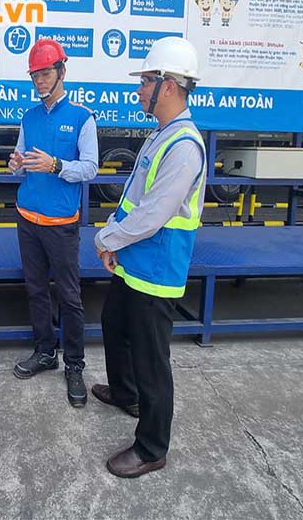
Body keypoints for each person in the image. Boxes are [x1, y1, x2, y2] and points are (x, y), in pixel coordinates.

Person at [93, 36, 206, 478]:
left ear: (169, 85)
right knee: (114, 325)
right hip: (134, 260)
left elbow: (154, 214)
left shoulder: (184, 146)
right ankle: (126, 394)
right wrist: (115, 241)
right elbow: (133, 199)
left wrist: (109, 239)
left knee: (151, 361)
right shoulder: (162, 135)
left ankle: (152, 447)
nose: (138, 90)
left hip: (156, 268)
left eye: (144, 81)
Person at [9, 39, 99, 407]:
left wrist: (57, 165)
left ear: (62, 71)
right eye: (34, 75)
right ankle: (45, 351)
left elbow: (90, 168)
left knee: (69, 296)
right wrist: (16, 164)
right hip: (27, 219)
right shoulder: (29, 117)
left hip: (61, 224)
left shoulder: (81, 117)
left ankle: (74, 365)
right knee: (35, 290)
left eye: (45, 73)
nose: (39, 81)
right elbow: (20, 163)